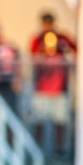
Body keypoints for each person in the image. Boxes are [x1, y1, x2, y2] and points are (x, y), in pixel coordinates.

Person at [29, 12, 75, 154]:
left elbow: (76, 50)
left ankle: (58, 150)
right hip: (41, 90)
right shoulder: (37, 40)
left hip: (59, 90)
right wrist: (43, 51)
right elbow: (32, 58)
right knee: (39, 121)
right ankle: (36, 150)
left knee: (60, 122)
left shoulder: (63, 39)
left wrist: (62, 49)